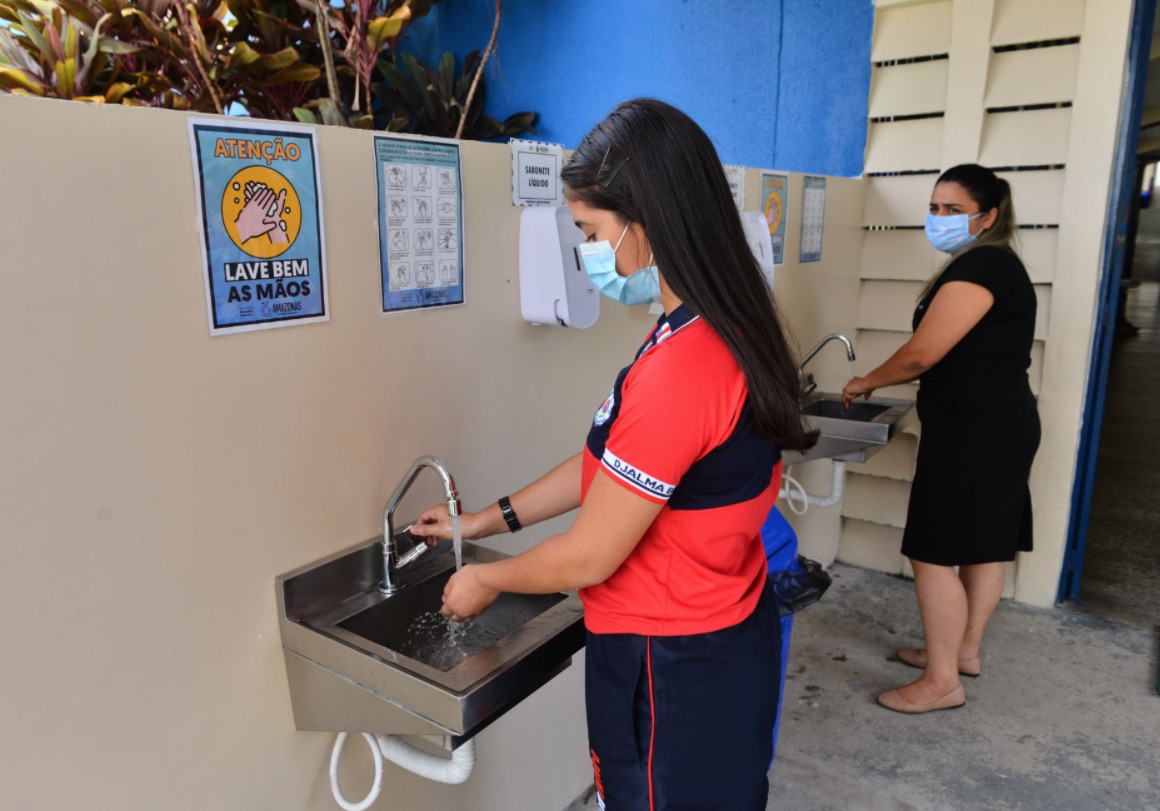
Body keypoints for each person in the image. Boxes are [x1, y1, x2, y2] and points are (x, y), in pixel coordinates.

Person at [409, 98, 816, 809]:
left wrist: (488, 582)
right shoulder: (715, 325)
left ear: (647, 222)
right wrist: (482, 522)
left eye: (591, 231)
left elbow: (590, 556)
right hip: (724, 633)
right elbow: (605, 463)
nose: (588, 252)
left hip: (670, 664)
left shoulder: (686, 366)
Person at [841, 164, 1040, 714]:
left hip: (975, 430)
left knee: (933, 552)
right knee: (983, 543)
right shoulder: (995, 265)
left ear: (989, 216)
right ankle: (964, 652)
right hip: (999, 424)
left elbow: (922, 353)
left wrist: (866, 380)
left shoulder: (982, 267)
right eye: (934, 207)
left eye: (953, 210)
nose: (939, 218)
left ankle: (941, 680)